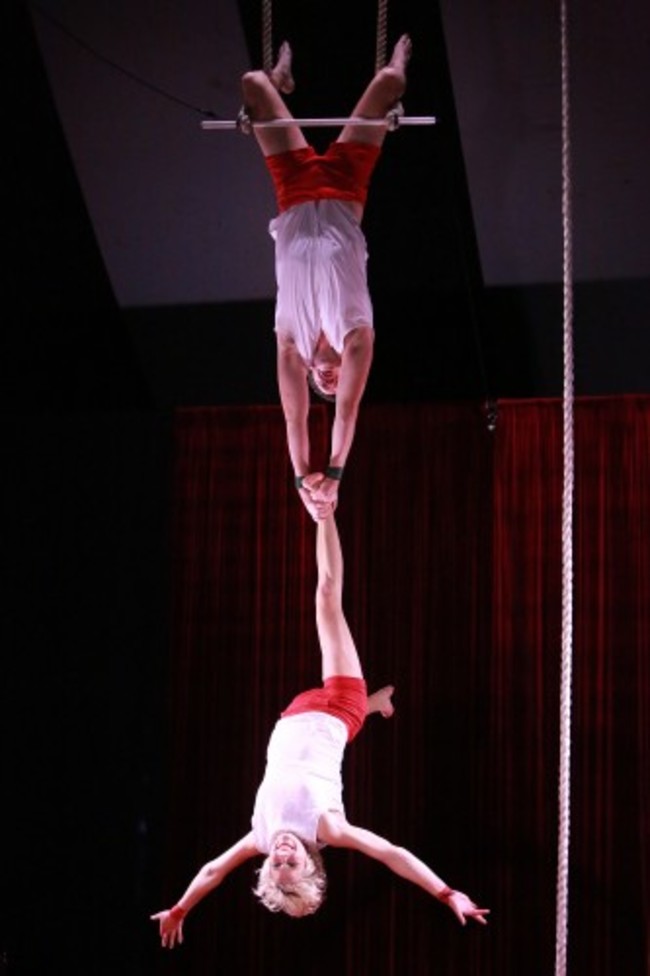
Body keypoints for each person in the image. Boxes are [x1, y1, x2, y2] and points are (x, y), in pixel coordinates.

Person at [151, 510, 489, 946]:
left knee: (335, 716)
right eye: (293, 865)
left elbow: (213, 871)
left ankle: (378, 704)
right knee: (327, 597)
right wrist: (446, 893)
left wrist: (180, 909)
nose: (283, 857)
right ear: (313, 864)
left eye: (276, 867)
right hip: (339, 704)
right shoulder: (328, 829)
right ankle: (325, 511)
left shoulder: (260, 834)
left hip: (295, 714)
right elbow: (393, 855)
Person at [240, 36, 413, 522]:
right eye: (336, 384)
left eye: (323, 384)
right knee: (390, 78)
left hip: (292, 186)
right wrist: (334, 472)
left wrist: (303, 479)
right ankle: (396, 78)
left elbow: (295, 418)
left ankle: (278, 83)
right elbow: (347, 413)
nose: (330, 382)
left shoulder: (290, 343)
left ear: (313, 376)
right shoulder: (356, 335)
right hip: (344, 182)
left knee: (251, 83)